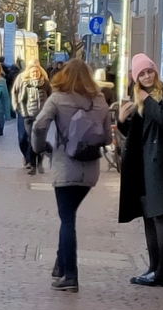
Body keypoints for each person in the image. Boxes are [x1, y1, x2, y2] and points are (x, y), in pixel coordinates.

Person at [32, 59, 111, 293]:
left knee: (67, 220)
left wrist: (40, 147)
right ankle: (60, 265)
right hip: (90, 168)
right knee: (69, 215)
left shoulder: (57, 98)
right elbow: (107, 138)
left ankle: (70, 275)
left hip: (65, 165)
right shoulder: (99, 100)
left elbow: (39, 125)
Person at [117, 53, 163, 288]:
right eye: (142, 74)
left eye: (149, 71)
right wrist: (122, 120)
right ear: (136, 78)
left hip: (160, 166)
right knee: (148, 217)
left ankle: (162, 272)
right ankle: (153, 269)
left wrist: (148, 100)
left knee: (160, 216)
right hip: (141, 166)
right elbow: (134, 135)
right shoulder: (139, 100)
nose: (146, 76)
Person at [12, 60, 51, 175]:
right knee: (22, 138)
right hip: (24, 113)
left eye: (37, 69)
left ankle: (31, 161)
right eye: (32, 69)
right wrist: (16, 106)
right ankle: (27, 155)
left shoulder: (45, 82)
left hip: (40, 115)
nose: (34, 72)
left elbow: (51, 96)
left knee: (33, 138)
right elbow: (15, 92)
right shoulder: (22, 79)